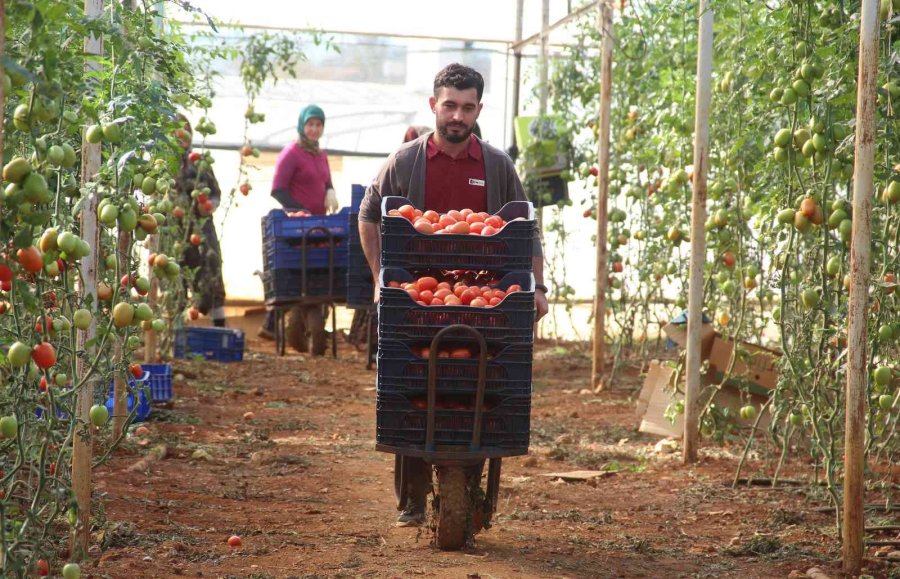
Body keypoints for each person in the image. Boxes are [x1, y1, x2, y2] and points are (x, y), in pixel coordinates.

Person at [358, 63, 549, 527]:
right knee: (413, 386)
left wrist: (537, 288)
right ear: (433, 105)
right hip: (416, 299)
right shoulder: (405, 161)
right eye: (449, 106)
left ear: (479, 109)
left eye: (467, 107)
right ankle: (412, 497)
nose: (457, 116)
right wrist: (382, 277)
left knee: (476, 385)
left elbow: (525, 232)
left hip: (483, 298)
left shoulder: (498, 165)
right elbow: (368, 214)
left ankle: (470, 480)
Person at [259, 104, 339, 345]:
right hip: (296, 227)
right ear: (302, 126)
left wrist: (330, 190)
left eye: (318, 125)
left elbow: (326, 181)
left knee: (318, 271)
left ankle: (309, 320)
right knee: (295, 272)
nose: (314, 129)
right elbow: (278, 190)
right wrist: (299, 210)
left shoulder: (320, 154)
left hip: (318, 225)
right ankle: (275, 322)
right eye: (310, 124)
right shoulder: (291, 153)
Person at [174, 114, 226, 327]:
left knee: (210, 271)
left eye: (185, 130)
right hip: (174, 232)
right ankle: (176, 331)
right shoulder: (164, 166)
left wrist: (210, 205)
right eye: (176, 131)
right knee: (175, 278)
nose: (181, 135)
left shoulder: (201, 162)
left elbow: (215, 193)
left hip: (202, 230)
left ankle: (220, 329)